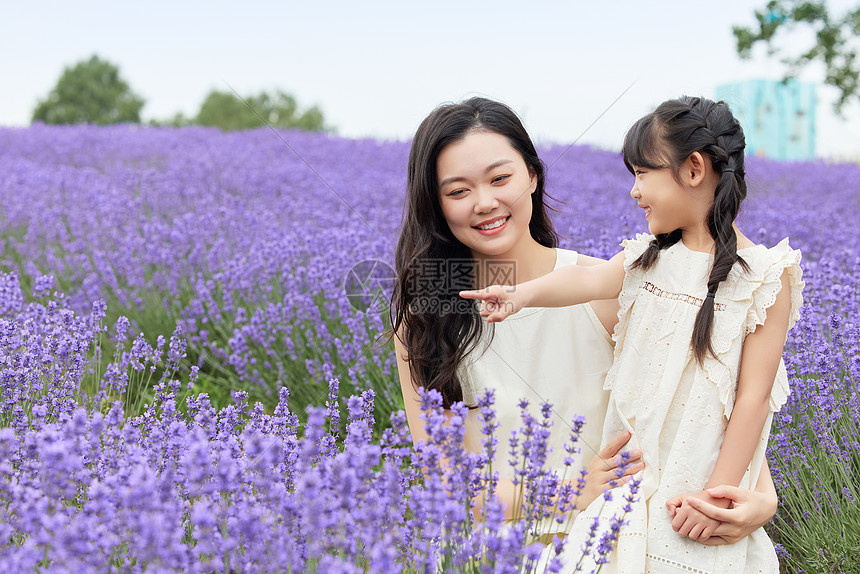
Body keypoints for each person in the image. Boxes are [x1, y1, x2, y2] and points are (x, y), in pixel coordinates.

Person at [391, 97, 781, 551]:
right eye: (457, 191)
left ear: (533, 176)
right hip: (486, 555)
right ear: (434, 203)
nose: (485, 202)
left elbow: (702, 402)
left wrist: (761, 499)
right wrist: (570, 490)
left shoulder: (615, 287)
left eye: (501, 179)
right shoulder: (424, 317)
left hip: (609, 548)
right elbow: (445, 484)